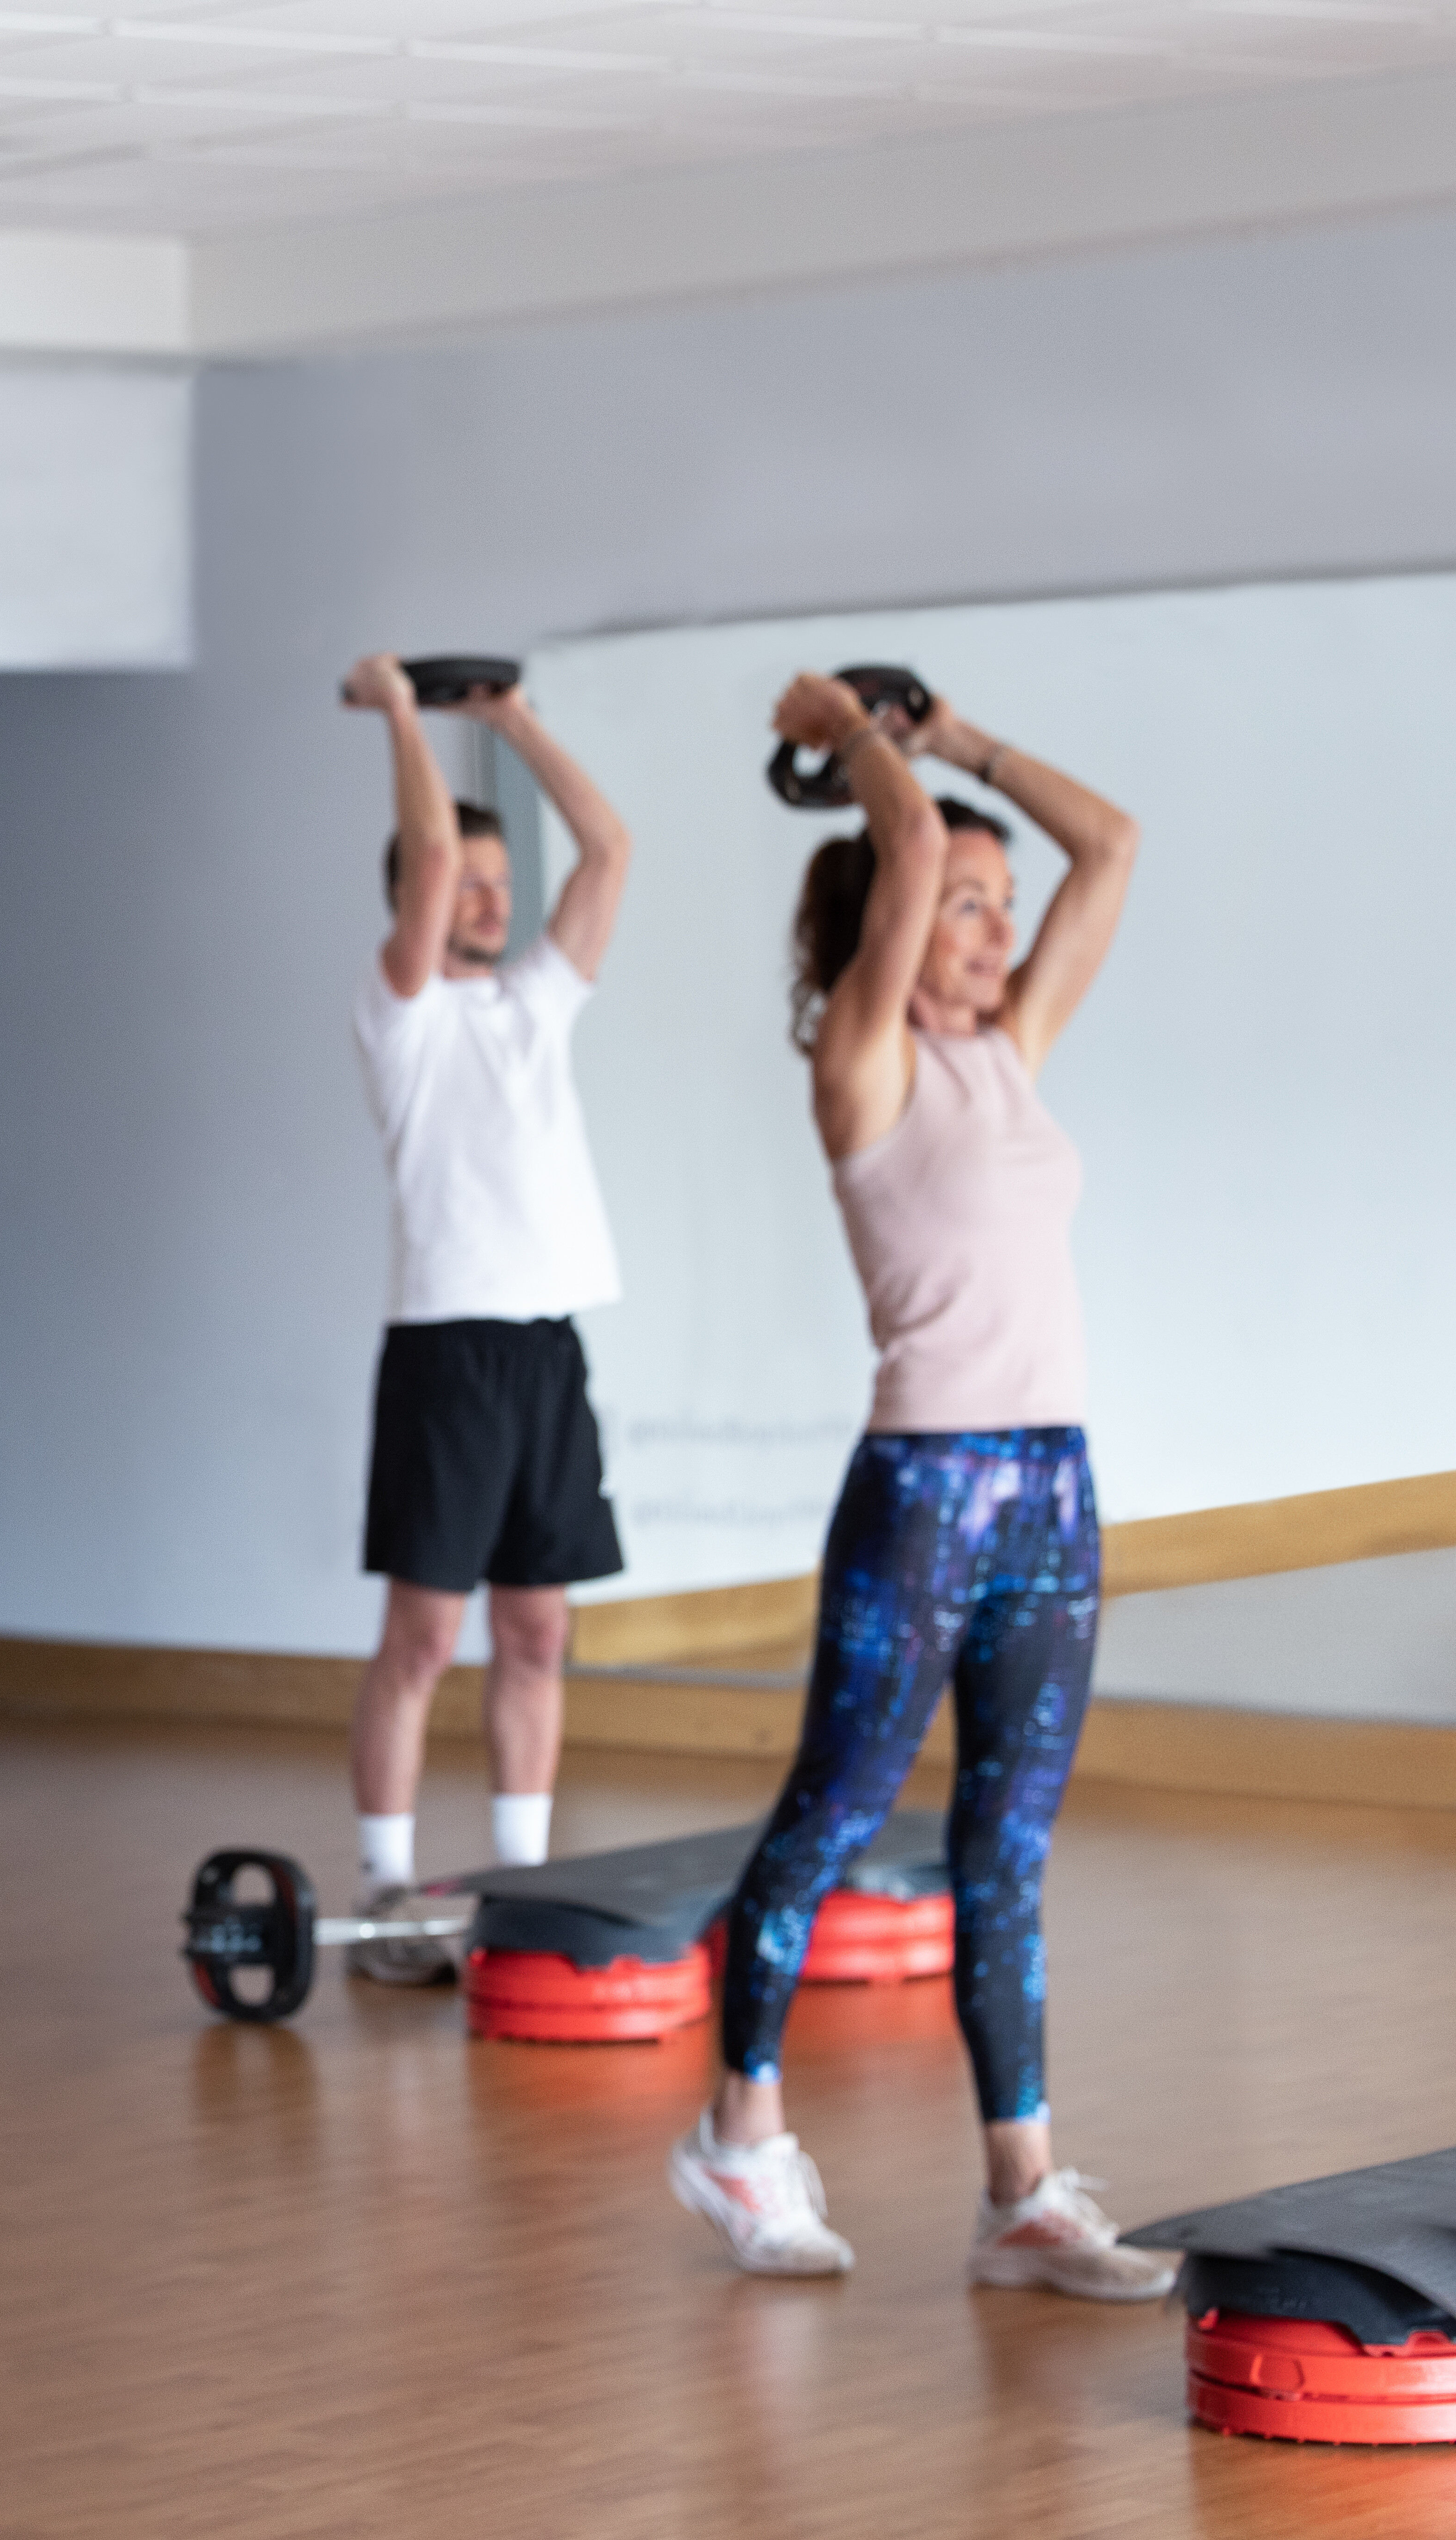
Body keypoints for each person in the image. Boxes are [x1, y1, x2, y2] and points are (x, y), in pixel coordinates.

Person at [667, 674, 1170, 2300]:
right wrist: (851, 731)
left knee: (1006, 1850)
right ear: (890, 919)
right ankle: (740, 2143)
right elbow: (892, 846)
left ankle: (1020, 2192)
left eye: (1001, 909)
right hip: (925, 1494)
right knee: (832, 1813)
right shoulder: (864, 1070)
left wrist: (959, 743)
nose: (994, 931)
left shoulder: (1014, 1053)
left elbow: (1115, 847)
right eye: (964, 904)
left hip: (1052, 1495)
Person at [334, 655, 635, 1979]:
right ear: (415, 893)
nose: (490, 900)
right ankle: (390, 1891)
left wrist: (509, 720)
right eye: (464, 878)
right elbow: (436, 851)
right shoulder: (401, 1015)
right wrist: (407, 717)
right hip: (447, 1353)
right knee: (423, 1639)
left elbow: (612, 848)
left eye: (503, 886)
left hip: (547, 1349)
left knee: (537, 1630)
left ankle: (520, 1875)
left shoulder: (533, 1005)